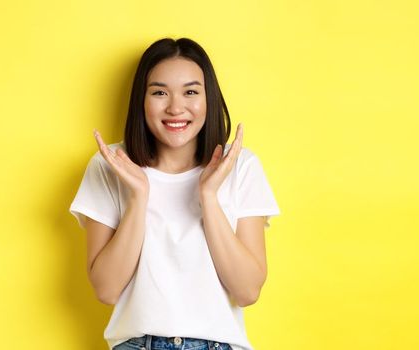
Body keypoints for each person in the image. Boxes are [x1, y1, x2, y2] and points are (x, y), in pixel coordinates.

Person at [69, 37, 280, 350]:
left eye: (191, 92)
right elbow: (107, 290)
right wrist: (139, 196)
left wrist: (209, 198)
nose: (176, 107)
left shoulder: (241, 166)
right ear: (142, 100)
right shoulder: (111, 165)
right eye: (159, 93)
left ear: (209, 99)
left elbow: (248, 291)